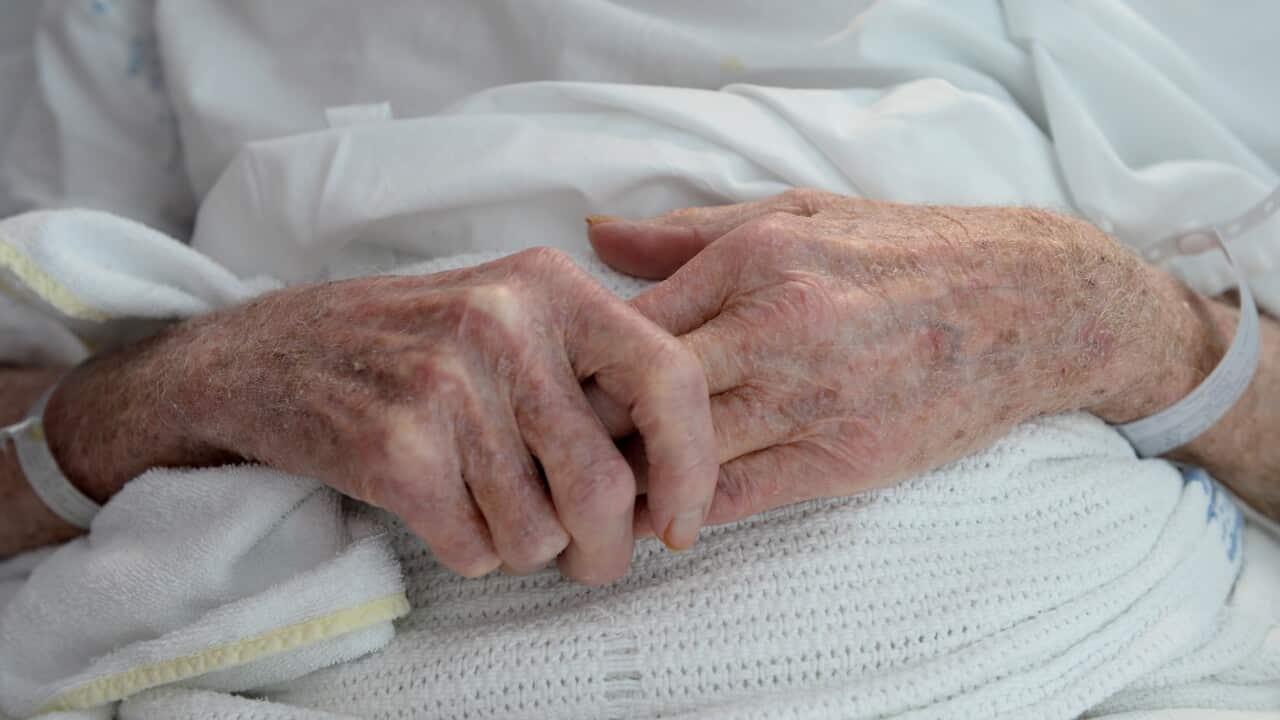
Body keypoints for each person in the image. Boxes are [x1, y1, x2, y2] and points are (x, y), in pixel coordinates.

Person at [0, 1, 1278, 717]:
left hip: (1084, 628)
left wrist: (1102, 321)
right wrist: (203, 379)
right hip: (315, 626)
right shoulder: (111, 27)